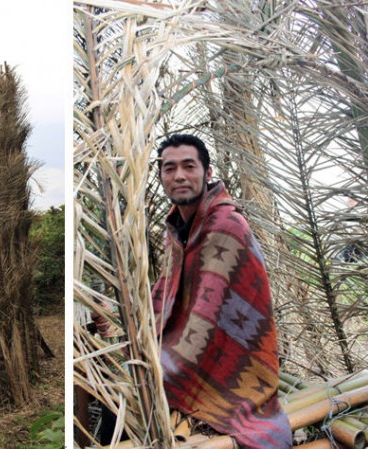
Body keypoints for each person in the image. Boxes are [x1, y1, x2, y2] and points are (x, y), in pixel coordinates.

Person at [151, 134, 291, 448]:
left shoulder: (227, 226)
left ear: (208, 172)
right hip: (185, 344)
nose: (180, 176)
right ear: (161, 177)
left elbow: (208, 315)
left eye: (189, 166)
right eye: (169, 169)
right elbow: (166, 294)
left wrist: (161, 358)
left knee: (144, 375)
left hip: (232, 363)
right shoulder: (176, 230)